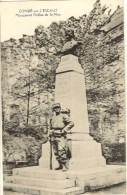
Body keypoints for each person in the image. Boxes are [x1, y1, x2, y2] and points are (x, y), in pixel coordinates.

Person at [49, 103, 74, 171]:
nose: (57, 109)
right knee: (55, 151)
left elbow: (71, 123)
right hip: (53, 136)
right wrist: (50, 133)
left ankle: (64, 166)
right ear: (53, 109)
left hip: (61, 135)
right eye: (55, 108)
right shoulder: (52, 118)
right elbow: (50, 127)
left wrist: (64, 130)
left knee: (61, 150)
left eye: (58, 107)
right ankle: (59, 164)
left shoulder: (63, 116)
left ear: (60, 108)